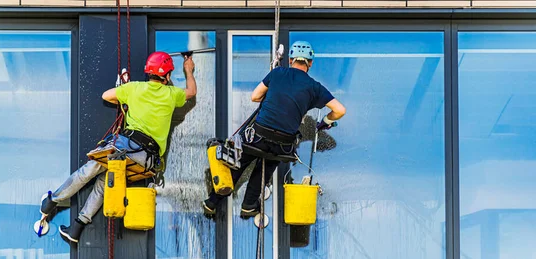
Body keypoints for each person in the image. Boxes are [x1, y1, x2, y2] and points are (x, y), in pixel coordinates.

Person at [39, 52, 197, 243]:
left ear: (148, 73)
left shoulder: (134, 89)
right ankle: (76, 228)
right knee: (104, 182)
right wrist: (189, 70)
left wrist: (125, 98)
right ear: (168, 76)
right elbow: (191, 92)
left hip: (126, 148)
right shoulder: (172, 94)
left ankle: (52, 201)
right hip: (147, 161)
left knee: (89, 170)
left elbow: (106, 96)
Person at [202, 40, 346, 218]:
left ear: (291, 60)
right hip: (283, 144)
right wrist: (325, 121)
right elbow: (340, 110)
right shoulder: (315, 87)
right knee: (268, 163)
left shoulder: (277, 73)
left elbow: (255, 97)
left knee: (240, 162)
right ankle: (248, 205)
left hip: (258, 135)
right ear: (310, 63)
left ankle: (212, 202)